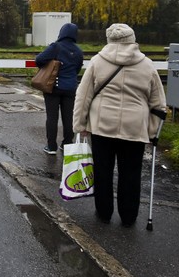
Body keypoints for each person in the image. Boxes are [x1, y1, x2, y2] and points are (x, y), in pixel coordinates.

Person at [73, 23, 166, 228]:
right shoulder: (147, 65)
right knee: (131, 173)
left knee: (102, 171)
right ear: (132, 39)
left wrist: (80, 125)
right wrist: (151, 132)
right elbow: (159, 104)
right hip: (134, 128)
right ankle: (129, 216)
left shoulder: (98, 62)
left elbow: (83, 96)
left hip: (101, 126)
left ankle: (104, 213)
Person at [35, 22, 84, 155]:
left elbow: (39, 60)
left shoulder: (56, 47)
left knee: (52, 117)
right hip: (71, 88)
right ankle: (67, 144)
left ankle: (51, 147)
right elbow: (78, 68)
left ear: (61, 33)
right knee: (68, 117)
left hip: (53, 87)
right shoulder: (78, 51)